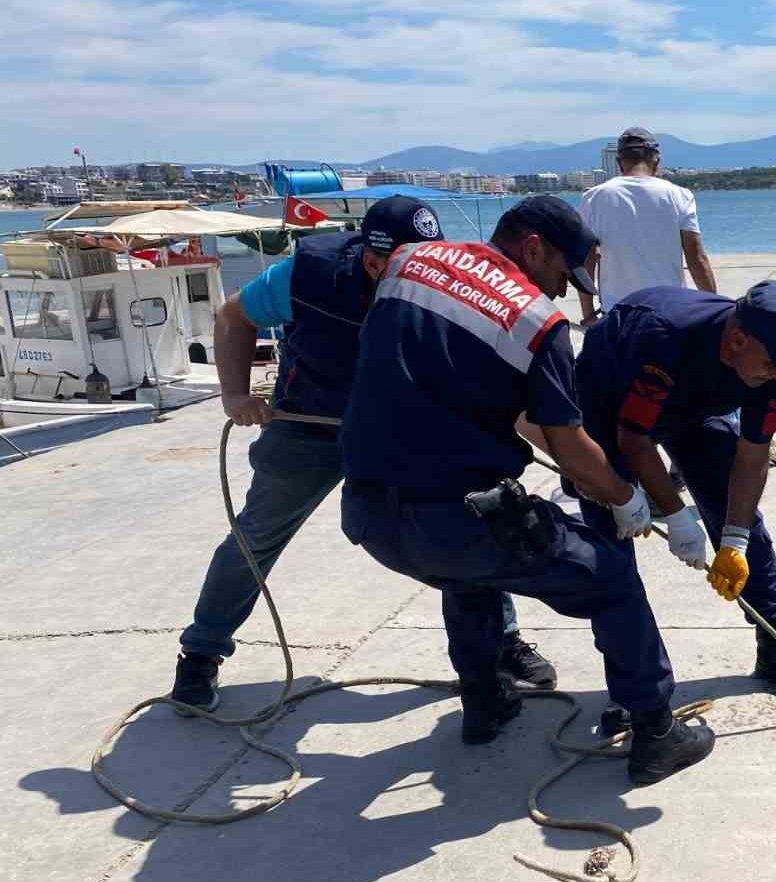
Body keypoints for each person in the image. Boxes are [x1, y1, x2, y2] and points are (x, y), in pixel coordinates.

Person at [338, 195, 713, 781]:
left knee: (468, 573)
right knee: (611, 578)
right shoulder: (538, 322)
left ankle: (485, 703)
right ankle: (656, 733)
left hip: (368, 517)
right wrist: (626, 498)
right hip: (452, 525)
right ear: (534, 248)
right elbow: (568, 446)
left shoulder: (408, 265)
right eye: (565, 274)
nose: (566, 291)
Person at [169, 197, 556, 711]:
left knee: (466, 522)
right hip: (312, 424)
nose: (427, 274)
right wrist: (236, 395)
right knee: (258, 534)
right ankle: (201, 652)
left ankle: (499, 643)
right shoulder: (308, 273)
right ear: (373, 262)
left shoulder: (446, 278)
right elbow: (232, 316)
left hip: (403, 427)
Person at [574, 282, 776, 714]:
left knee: (740, 514)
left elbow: (753, 457)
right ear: (738, 339)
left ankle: (775, 638)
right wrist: (675, 515)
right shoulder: (663, 337)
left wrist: (735, 541)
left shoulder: (775, 367)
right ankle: (635, 689)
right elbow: (633, 439)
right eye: (772, 365)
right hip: (610, 404)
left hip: (691, 408)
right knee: (609, 547)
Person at [576, 126, 715, 326]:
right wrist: (714, 308)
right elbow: (696, 256)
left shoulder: (594, 198)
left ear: (618, 163)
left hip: (617, 316)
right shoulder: (680, 195)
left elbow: (587, 260)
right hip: (669, 312)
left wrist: (588, 315)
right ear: (656, 160)